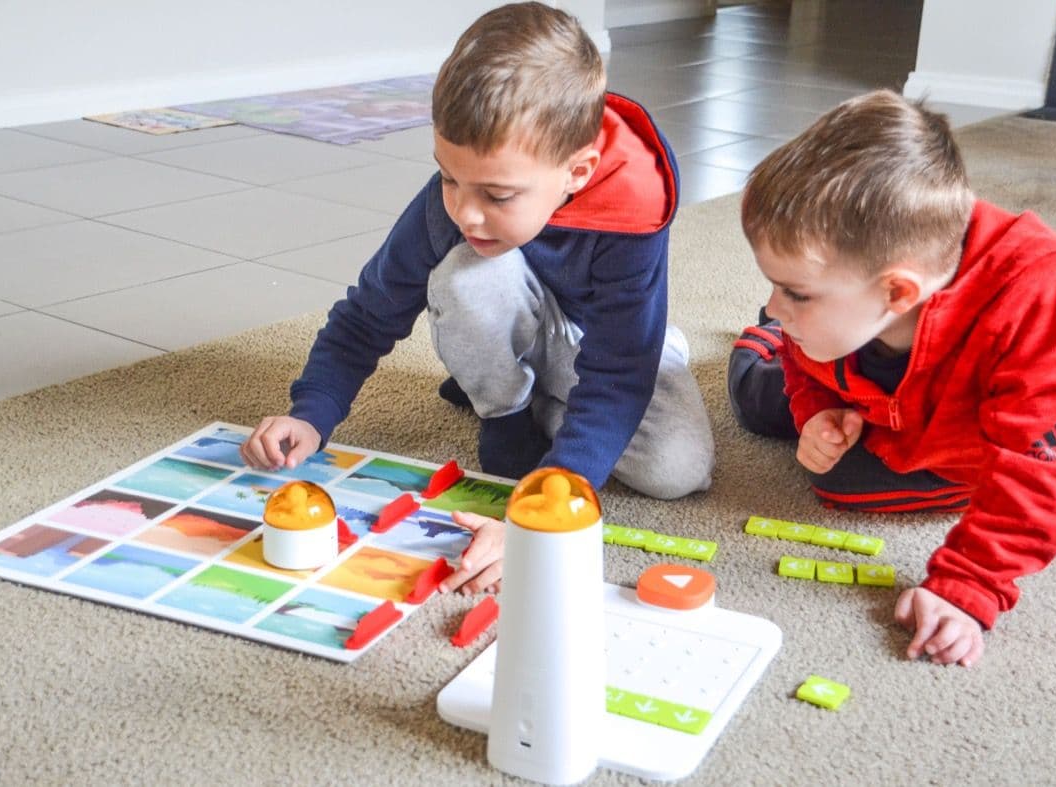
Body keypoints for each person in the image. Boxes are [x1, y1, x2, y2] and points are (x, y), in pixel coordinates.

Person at [242, 2, 715, 594]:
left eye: (497, 194)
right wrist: (312, 413)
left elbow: (620, 371)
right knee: (467, 277)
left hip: (602, 343)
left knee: (676, 471)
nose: (465, 210)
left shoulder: (634, 210)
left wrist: (547, 507)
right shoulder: (456, 206)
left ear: (577, 170)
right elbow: (367, 314)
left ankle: (558, 392)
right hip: (513, 315)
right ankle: (508, 410)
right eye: (447, 176)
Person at [727, 90, 1056, 668]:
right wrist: (812, 409)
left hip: (976, 432)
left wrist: (970, 587)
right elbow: (804, 359)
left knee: (843, 487)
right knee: (758, 403)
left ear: (898, 292)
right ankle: (755, 340)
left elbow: (1038, 473)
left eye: (794, 291)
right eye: (776, 287)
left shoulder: (1037, 303)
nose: (777, 301)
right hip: (861, 375)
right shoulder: (858, 296)